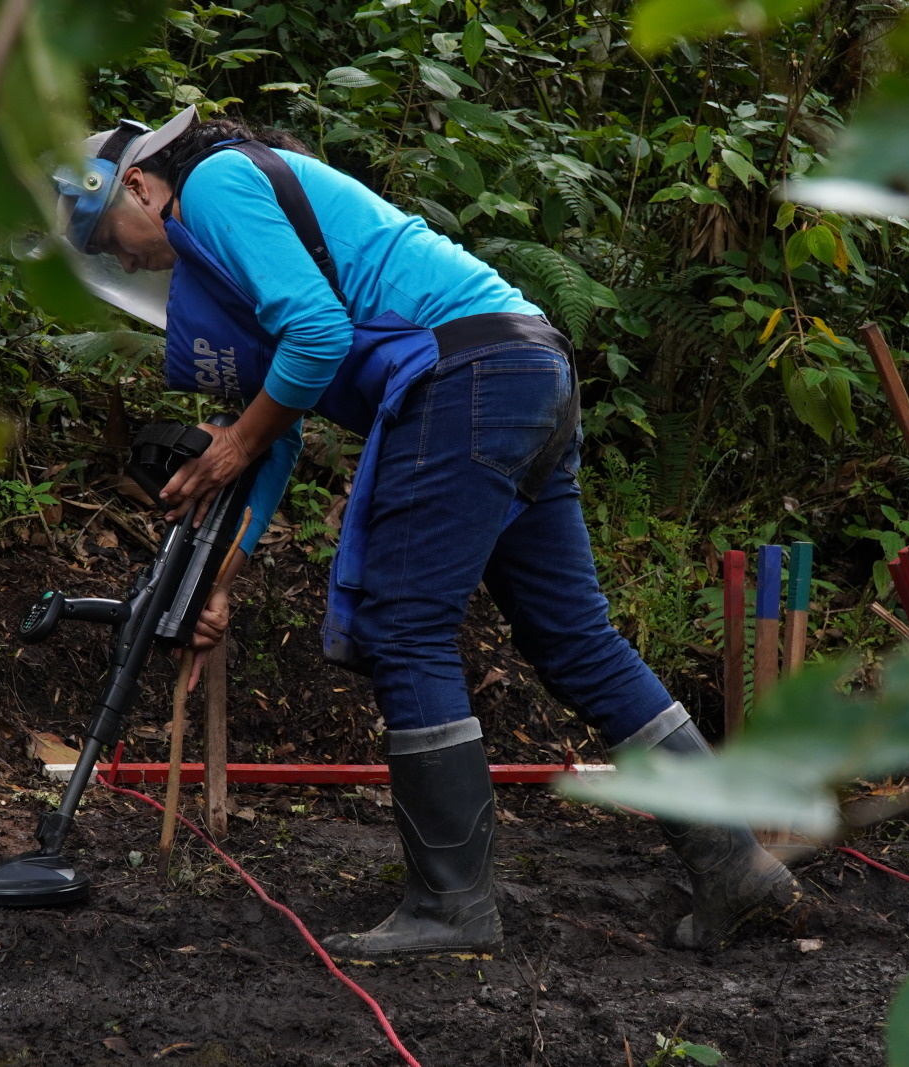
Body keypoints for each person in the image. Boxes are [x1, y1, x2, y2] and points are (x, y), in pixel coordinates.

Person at [51, 105, 799, 958]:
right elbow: (278, 428)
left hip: (466, 374)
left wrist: (233, 445)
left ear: (140, 184)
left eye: (107, 235)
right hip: (523, 366)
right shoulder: (226, 254)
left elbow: (318, 338)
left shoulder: (215, 184)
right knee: (574, 639)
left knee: (404, 626)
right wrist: (224, 571)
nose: (119, 258)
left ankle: (453, 908)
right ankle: (739, 871)